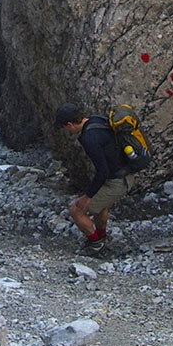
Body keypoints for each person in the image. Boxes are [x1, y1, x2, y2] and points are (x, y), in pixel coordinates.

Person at [54, 103, 135, 254]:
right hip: (126, 174)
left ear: (70, 124)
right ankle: (102, 237)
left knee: (76, 210)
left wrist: (87, 196)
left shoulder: (89, 138)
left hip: (118, 181)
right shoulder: (96, 120)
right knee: (100, 206)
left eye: (64, 127)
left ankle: (96, 243)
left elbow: (102, 172)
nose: (64, 130)